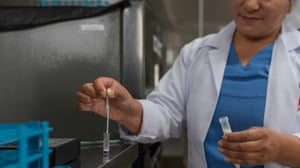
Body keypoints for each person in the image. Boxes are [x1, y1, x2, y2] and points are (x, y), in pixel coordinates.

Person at [76, 0, 300, 167]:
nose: (250, 5)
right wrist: (128, 111)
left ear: (290, 4)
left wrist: (280, 148)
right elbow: (167, 113)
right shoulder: (196, 53)